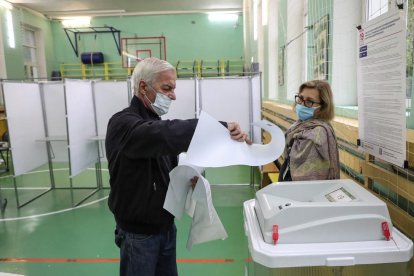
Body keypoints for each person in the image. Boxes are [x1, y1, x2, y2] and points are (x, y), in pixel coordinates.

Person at [105, 57, 251, 276]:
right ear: (143, 86)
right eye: (167, 88)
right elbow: (163, 136)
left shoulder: (155, 123)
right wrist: (217, 129)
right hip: (139, 234)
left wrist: (186, 178)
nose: (173, 95)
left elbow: (162, 164)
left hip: (165, 227)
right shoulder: (123, 123)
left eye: (173, 88)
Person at [278, 80, 340, 181]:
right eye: (301, 98)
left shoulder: (317, 132)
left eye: (309, 101)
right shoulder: (300, 124)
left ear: (323, 107)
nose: (302, 104)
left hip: (303, 190)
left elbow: (308, 177)